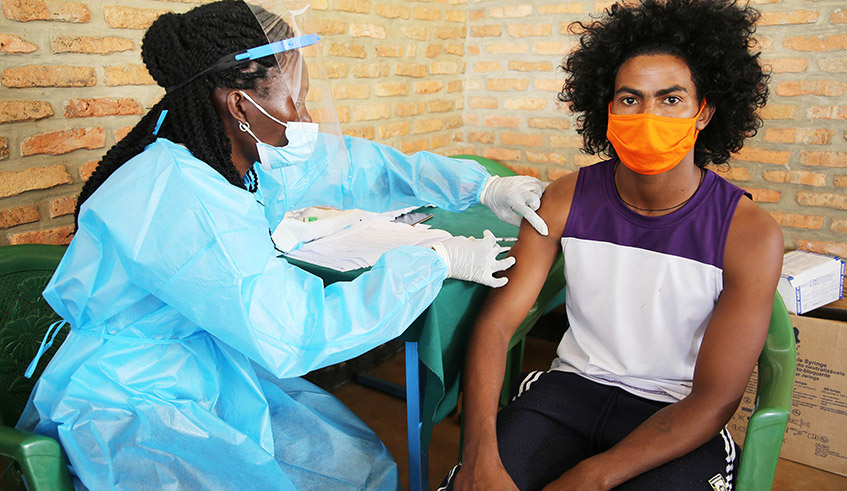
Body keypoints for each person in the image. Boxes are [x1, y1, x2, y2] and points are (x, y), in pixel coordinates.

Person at [15, 1, 549, 489]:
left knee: (357, 466)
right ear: (241, 104)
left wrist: (480, 186)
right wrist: (434, 261)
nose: (307, 118)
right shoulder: (178, 194)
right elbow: (292, 332)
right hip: (132, 400)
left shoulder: (233, 160)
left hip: (203, 365)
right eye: (296, 99)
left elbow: (357, 166)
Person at [444, 1, 784, 489]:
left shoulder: (748, 233)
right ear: (606, 108)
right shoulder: (563, 199)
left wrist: (592, 477)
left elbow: (713, 400)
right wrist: (477, 455)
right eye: (630, 99)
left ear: (704, 111)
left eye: (670, 99)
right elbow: (497, 325)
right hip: (568, 393)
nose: (648, 115)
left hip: (676, 415)